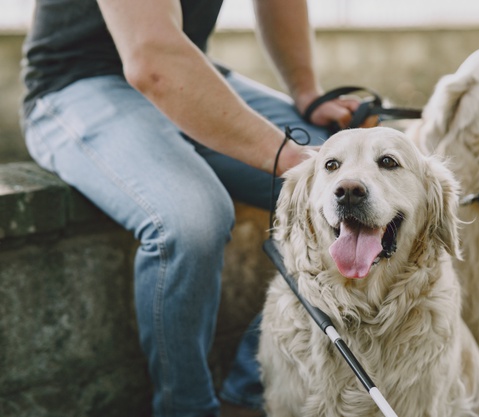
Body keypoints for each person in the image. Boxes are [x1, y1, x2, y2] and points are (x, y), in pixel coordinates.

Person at [20, 0, 376, 416]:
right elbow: (153, 61)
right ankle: (186, 408)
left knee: (368, 179)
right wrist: (292, 159)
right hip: (80, 81)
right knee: (193, 220)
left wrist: (306, 91)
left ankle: (249, 392)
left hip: (188, 68)